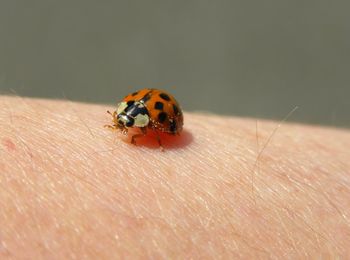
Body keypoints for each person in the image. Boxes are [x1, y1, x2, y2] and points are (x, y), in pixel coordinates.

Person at [0, 95, 349, 258]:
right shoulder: (135, 113)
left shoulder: (152, 124)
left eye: (126, 125)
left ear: (143, 124)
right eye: (122, 122)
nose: (123, 128)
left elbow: (155, 127)